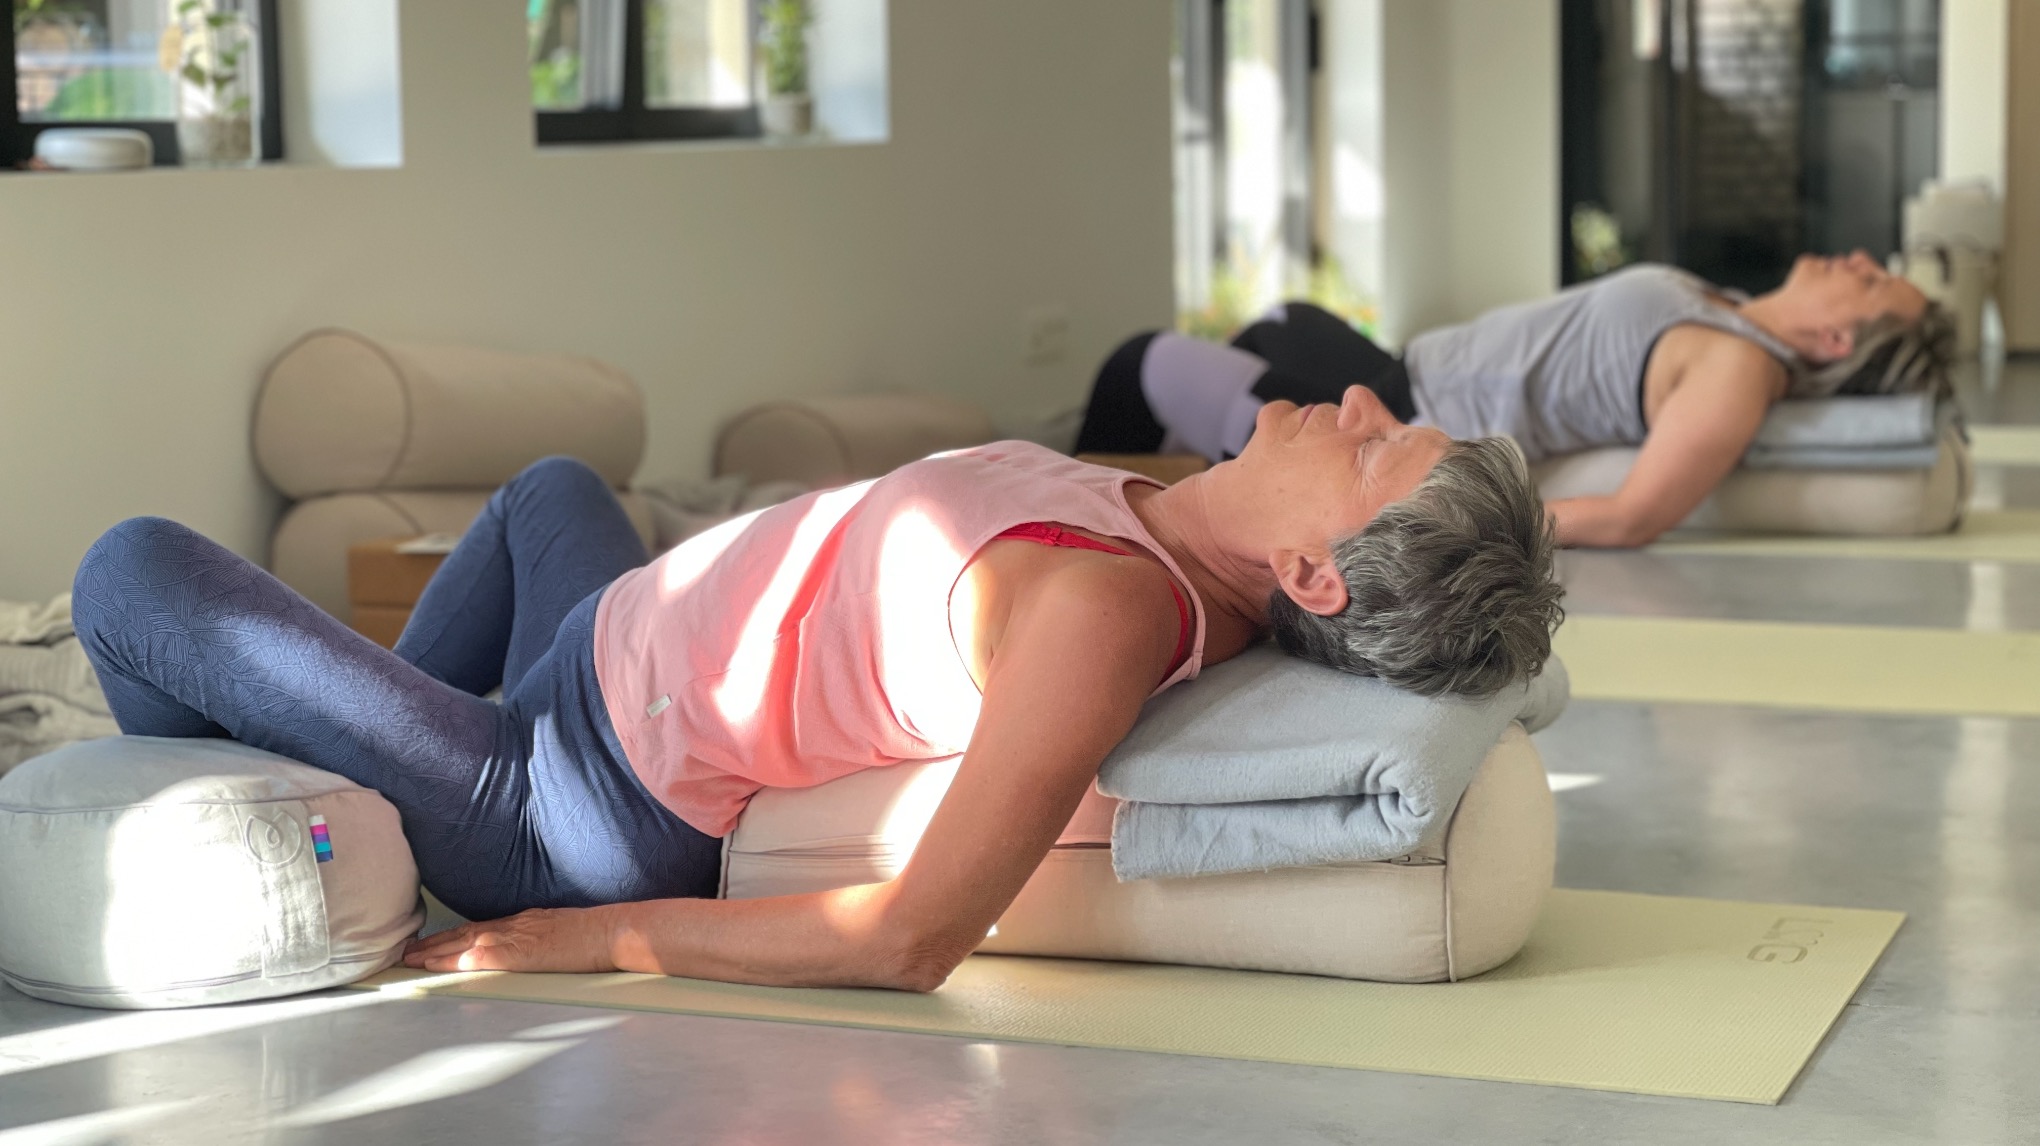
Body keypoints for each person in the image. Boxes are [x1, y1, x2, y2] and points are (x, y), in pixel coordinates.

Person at [71, 387, 1562, 993]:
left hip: (572, 793)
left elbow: (913, 937)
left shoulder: (1107, 617)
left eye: (1377, 446)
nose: (1355, 401)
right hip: (603, 648)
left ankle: (266, 828)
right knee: (551, 487)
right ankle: (353, 775)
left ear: (1311, 575)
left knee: (133, 570)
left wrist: (604, 936)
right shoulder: (1158, 518)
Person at [1078, 253, 1954, 548]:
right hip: (1397, 366)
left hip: (1403, 412)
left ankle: (1090, 528)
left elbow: (1633, 516)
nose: (1860, 260)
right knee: (1281, 324)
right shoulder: (1726, 309)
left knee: (1140, 363)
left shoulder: (1738, 370)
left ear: (1837, 341)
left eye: (1873, 283)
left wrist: (1453, 515)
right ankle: (1168, 494)